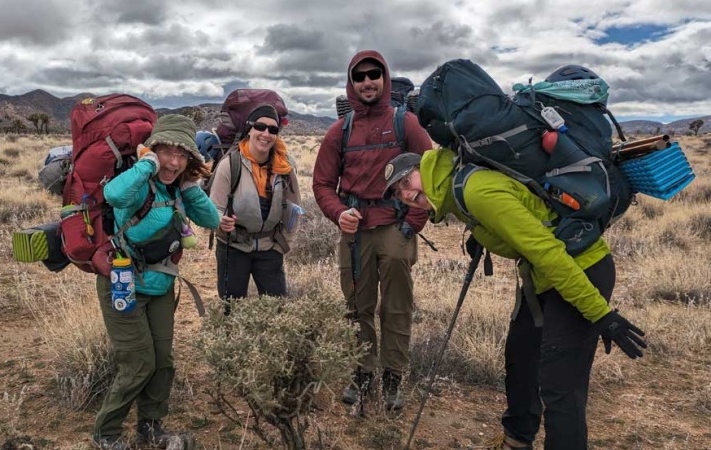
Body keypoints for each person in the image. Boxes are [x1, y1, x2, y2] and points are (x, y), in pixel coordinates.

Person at [383, 150, 647, 449]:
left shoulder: (476, 191)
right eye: (397, 191)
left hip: (579, 271)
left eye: (406, 180)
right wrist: (481, 233)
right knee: (521, 360)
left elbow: (546, 252)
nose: (405, 193)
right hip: (542, 278)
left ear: (425, 168)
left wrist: (600, 314)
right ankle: (516, 441)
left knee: (560, 384)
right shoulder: (455, 193)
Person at [312, 50, 433, 411]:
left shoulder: (405, 123)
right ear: (351, 83)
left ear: (384, 79)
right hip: (355, 233)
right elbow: (321, 184)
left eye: (373, 75)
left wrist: (411, 225)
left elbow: (430, 174)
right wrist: (338, 214)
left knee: (397, 308)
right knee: (356, 307)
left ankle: (393, 377)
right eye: (359, 76)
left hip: (396, 228)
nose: (367, 82)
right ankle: (362, 372)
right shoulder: (340, 131)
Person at [92, 115, 220, 450]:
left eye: (183, 155)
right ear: (153, 149)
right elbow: (113, 195)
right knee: (138, 362)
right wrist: (147, 165)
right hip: (124, 283)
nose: (174, 161)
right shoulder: (137, 183)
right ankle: (106, 434)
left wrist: (190, 186)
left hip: (161, 285)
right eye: (167, 151)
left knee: (162, 362)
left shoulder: (179, 188)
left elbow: (212, 219)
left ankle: (150, 429)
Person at [208, 104, 302, 305]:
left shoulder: (284, 167)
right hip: (233, 247)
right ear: (249, 129)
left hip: (270, 248)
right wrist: (220, 222)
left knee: (276, 311)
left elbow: (294, 210)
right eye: (260, 126)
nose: (266, 134)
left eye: (273, 129)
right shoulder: (230, 164)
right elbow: (214, 207)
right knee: (231, 309)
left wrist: (283, 245)